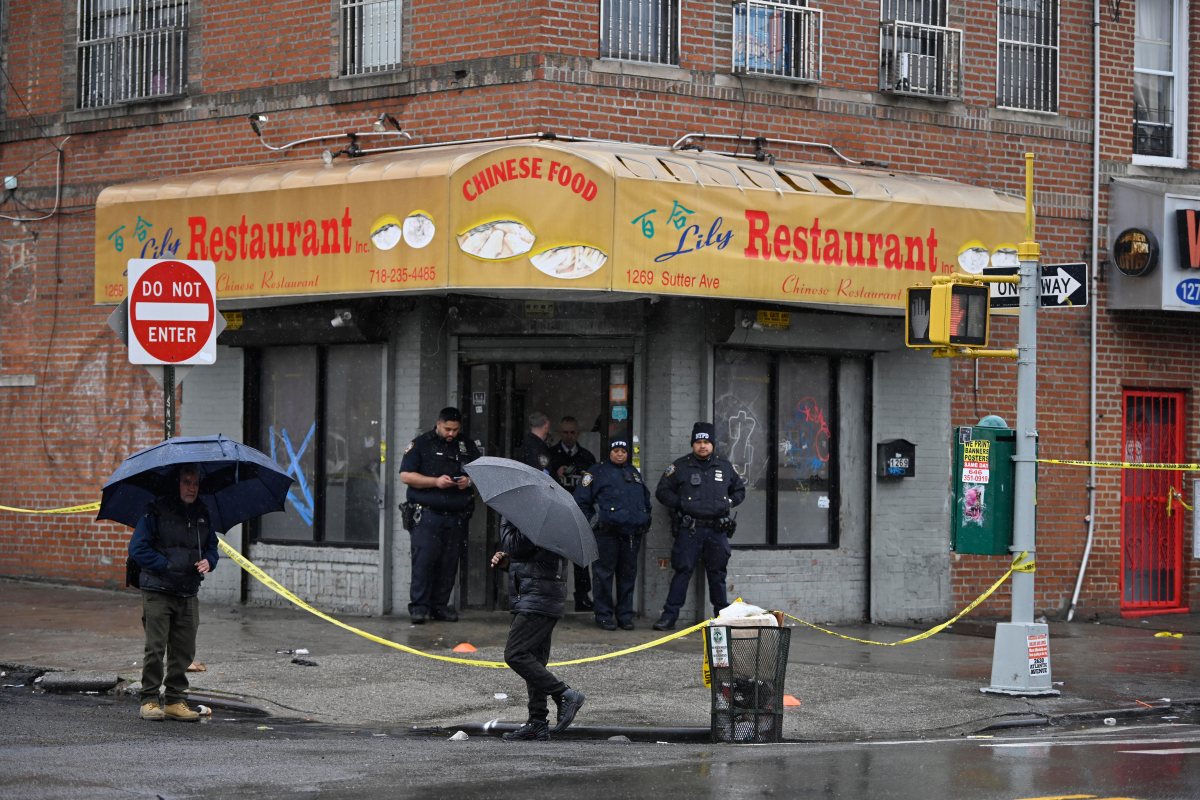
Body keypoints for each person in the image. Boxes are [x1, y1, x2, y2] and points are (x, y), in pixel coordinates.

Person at [127, 463, 219, 722]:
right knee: (155, 648)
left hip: (188, 590)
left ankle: (176, 700)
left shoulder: (202, 513)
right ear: (176, 483)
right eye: (187, 482)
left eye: (196, 483)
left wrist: (209, 561)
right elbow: (137, 549)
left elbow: (212, 546)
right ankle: (149, 699)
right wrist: (166, 565)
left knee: (184, 649)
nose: (192, 488)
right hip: (158, 589)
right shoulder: (155, 512)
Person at [490, 520, 586, 741]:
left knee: (515, 654)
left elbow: (516, 545)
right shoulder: (541, 517)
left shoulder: (536, 518)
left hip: (537, 597)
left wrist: (506, 528)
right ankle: (537, 721)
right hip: (540, 594)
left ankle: (566, 694)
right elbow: (531, 555)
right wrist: (508, 562)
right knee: (534, 661)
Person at [652, 422, 746, 631]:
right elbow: (662, 491)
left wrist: (728, 503)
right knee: (682, 572)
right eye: (698, 442)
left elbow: (739, 490)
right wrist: (681, 504)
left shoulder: (724, 466)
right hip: (690, 529)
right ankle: (669, 616)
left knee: (717, 574)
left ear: (712, 444)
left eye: (706, 442)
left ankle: (721, 617)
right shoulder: (680, 466)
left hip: (717, 530)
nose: (702, 446)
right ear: (693, 444)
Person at [399, 407, 481, 624]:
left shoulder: (466, 446)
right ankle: (419, 607)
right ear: (438, 424)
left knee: (449, 562)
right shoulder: (421, 444)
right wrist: (435, 482)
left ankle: (440, 606)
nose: (451, 433)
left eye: (455, 429)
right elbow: (406, 476)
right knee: (424, 561)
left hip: (456, 514)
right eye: (447, 429)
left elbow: (481, 472)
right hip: (427, 514)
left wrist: (468, 481)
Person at [574, 436, 651, 630]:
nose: (619, 454)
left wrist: (644, 519)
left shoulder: (634, 473)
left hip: (631, 535)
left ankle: (625, 616)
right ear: (609, 452)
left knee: (627, 576)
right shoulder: (595, 472)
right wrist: (594, 522)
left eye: (623, 451)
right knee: (603, 576)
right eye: (616, 450)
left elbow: (645, 500)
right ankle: (604, 616)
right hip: (606, 534)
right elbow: (581, 501)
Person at [550, 416, 597, 613]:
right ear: (560, 433)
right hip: (556, 511)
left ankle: (582, 596)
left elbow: (593, 484)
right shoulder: (552, 455)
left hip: (579, 512)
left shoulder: (586, 457)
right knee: (553, 556)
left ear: (578, 433)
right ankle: (552, 596)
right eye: (565, 432)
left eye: (572, 432)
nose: (569, 436)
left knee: (580, 557)